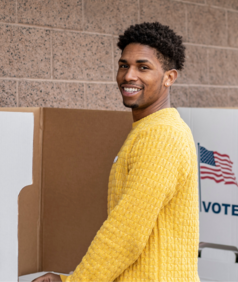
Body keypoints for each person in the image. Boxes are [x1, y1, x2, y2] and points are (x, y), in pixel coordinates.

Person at [34, 22, 200, 282]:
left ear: (169, 77)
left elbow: (126, 233)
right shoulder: (148, 129)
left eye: (143, 67)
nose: (129, 75)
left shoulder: (162, 135)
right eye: (124, 65)